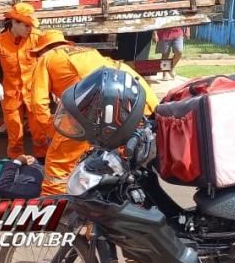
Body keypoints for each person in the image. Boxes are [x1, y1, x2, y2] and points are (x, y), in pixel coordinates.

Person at [30, 30, 159, 195]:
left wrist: (53, 130)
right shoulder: (87, 51)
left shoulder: (46, 58)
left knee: (57, 165)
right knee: (120, 160)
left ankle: (58, 209)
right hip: (131, 105)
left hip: (90, 111)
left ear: (42, 49)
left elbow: (37, 103)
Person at [0, 3, 48, 160]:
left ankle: (42, 161)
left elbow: (50, 62)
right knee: (15, 135)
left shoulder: (37, 38)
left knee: (40, 132)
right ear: (14, 23)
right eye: (26, 25)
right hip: (11, 94)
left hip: (34, 93)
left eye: (30, 25)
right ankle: (16, 164)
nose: (29, 29)